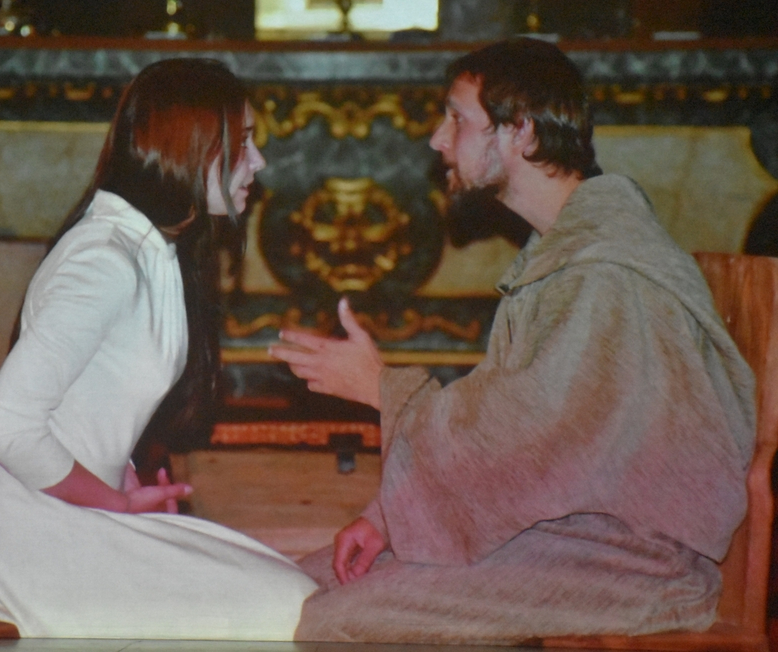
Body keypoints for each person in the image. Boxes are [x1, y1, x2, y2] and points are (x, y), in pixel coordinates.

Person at [270, 38, 755, 644]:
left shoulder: (603, 274)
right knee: (297, 584)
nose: (437, 140)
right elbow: (523, 431)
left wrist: (380, 387)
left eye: (456, 119)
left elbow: (521, 438)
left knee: (336, 622)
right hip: (577, 534)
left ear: (521, 131)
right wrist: (385, 517)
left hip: (637, 562)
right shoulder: (567, 251)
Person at [0, 59, 318, 639]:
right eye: (243, 143)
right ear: (188, 147)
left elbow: (89, 397)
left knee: (295, 588)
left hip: (65, 515)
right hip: (21, 537)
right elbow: (5, 425)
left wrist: (124, 480)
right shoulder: (105, 259)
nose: (258, 162)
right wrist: (113, 504)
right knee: (290, 610)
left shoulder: (151, 248)